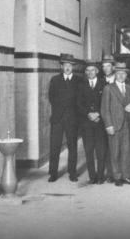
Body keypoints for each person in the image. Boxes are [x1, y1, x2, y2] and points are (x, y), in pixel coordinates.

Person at [101, 62, 130, 186]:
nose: (121, 75)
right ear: (115, 74)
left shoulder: (129, 88)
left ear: (126, 75)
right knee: (115, 152)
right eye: (119, 73)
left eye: (124, 73)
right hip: (114, 126)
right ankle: (117, 177)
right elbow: (105, 109)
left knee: (126, 152)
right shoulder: (108, 88)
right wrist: (108, 125)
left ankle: (126, 176)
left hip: (127, 125)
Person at [47, 53, 81, 182]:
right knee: (54, 147)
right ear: (61, 66)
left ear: (73, 67)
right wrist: (60, 109)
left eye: (70, 66)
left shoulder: (78, 80)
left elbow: (80, 99)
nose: (67, 68)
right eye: (65, 65)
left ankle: (72, 172)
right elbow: (51, 97)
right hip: (57, 119)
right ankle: (53, 173)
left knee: (72, 146)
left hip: (72, 119)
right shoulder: (55, 80)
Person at [77, 60, 107, 184]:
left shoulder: (104, 84)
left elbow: (106, 102)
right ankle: (92, 176)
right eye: (88, 70)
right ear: (85, 72)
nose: (90, 72)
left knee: (101, 151)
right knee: (89, 150)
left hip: (100, 122)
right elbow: (78, 103)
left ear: (97, 71)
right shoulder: (81, 85)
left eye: (92, 70)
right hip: (86, 123)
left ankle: (100, 176)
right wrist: (88, 114)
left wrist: (98, 113)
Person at [101, 54, 116, 182]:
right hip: (103, 121)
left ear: (113, 67)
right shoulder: (100, 81)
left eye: (108, 66)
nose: (106, 69)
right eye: (103, 66)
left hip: (117, 120)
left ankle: (116, 173)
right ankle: (108, 172)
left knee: (117, 148)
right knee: (104, 147)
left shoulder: (121, 80)